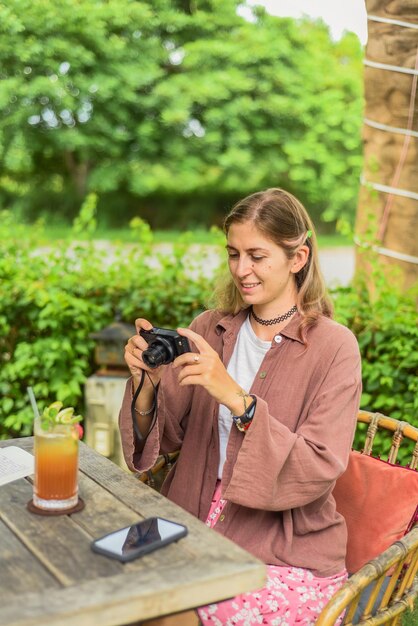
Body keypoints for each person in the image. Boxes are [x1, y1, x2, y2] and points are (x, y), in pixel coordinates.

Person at [119, 188, 362, 626]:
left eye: (256, 256)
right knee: (106, 582)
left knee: (164, 613)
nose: (241, 270)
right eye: (233, 254)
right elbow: (165, 437)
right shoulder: (207, 330)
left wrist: (236, 398)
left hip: (283, 553)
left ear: (298, 257)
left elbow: (320, 463)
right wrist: (147, 383)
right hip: (189, 518)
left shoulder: (334, 347)